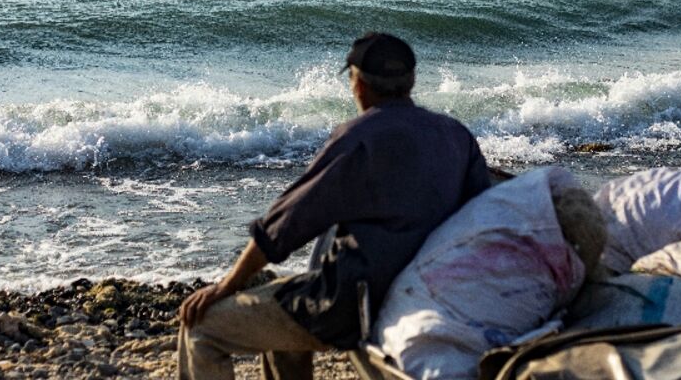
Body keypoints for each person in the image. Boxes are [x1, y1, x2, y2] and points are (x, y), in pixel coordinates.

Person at [178, 32, 491, 380]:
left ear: (357, 84)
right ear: (412, 81)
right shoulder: (455, 135)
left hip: (353, 304)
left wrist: (228, 285)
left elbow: (284, 226)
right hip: (428, 294)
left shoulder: (357, 138)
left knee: (202, 327)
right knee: (284, 313)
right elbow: (479, 214)